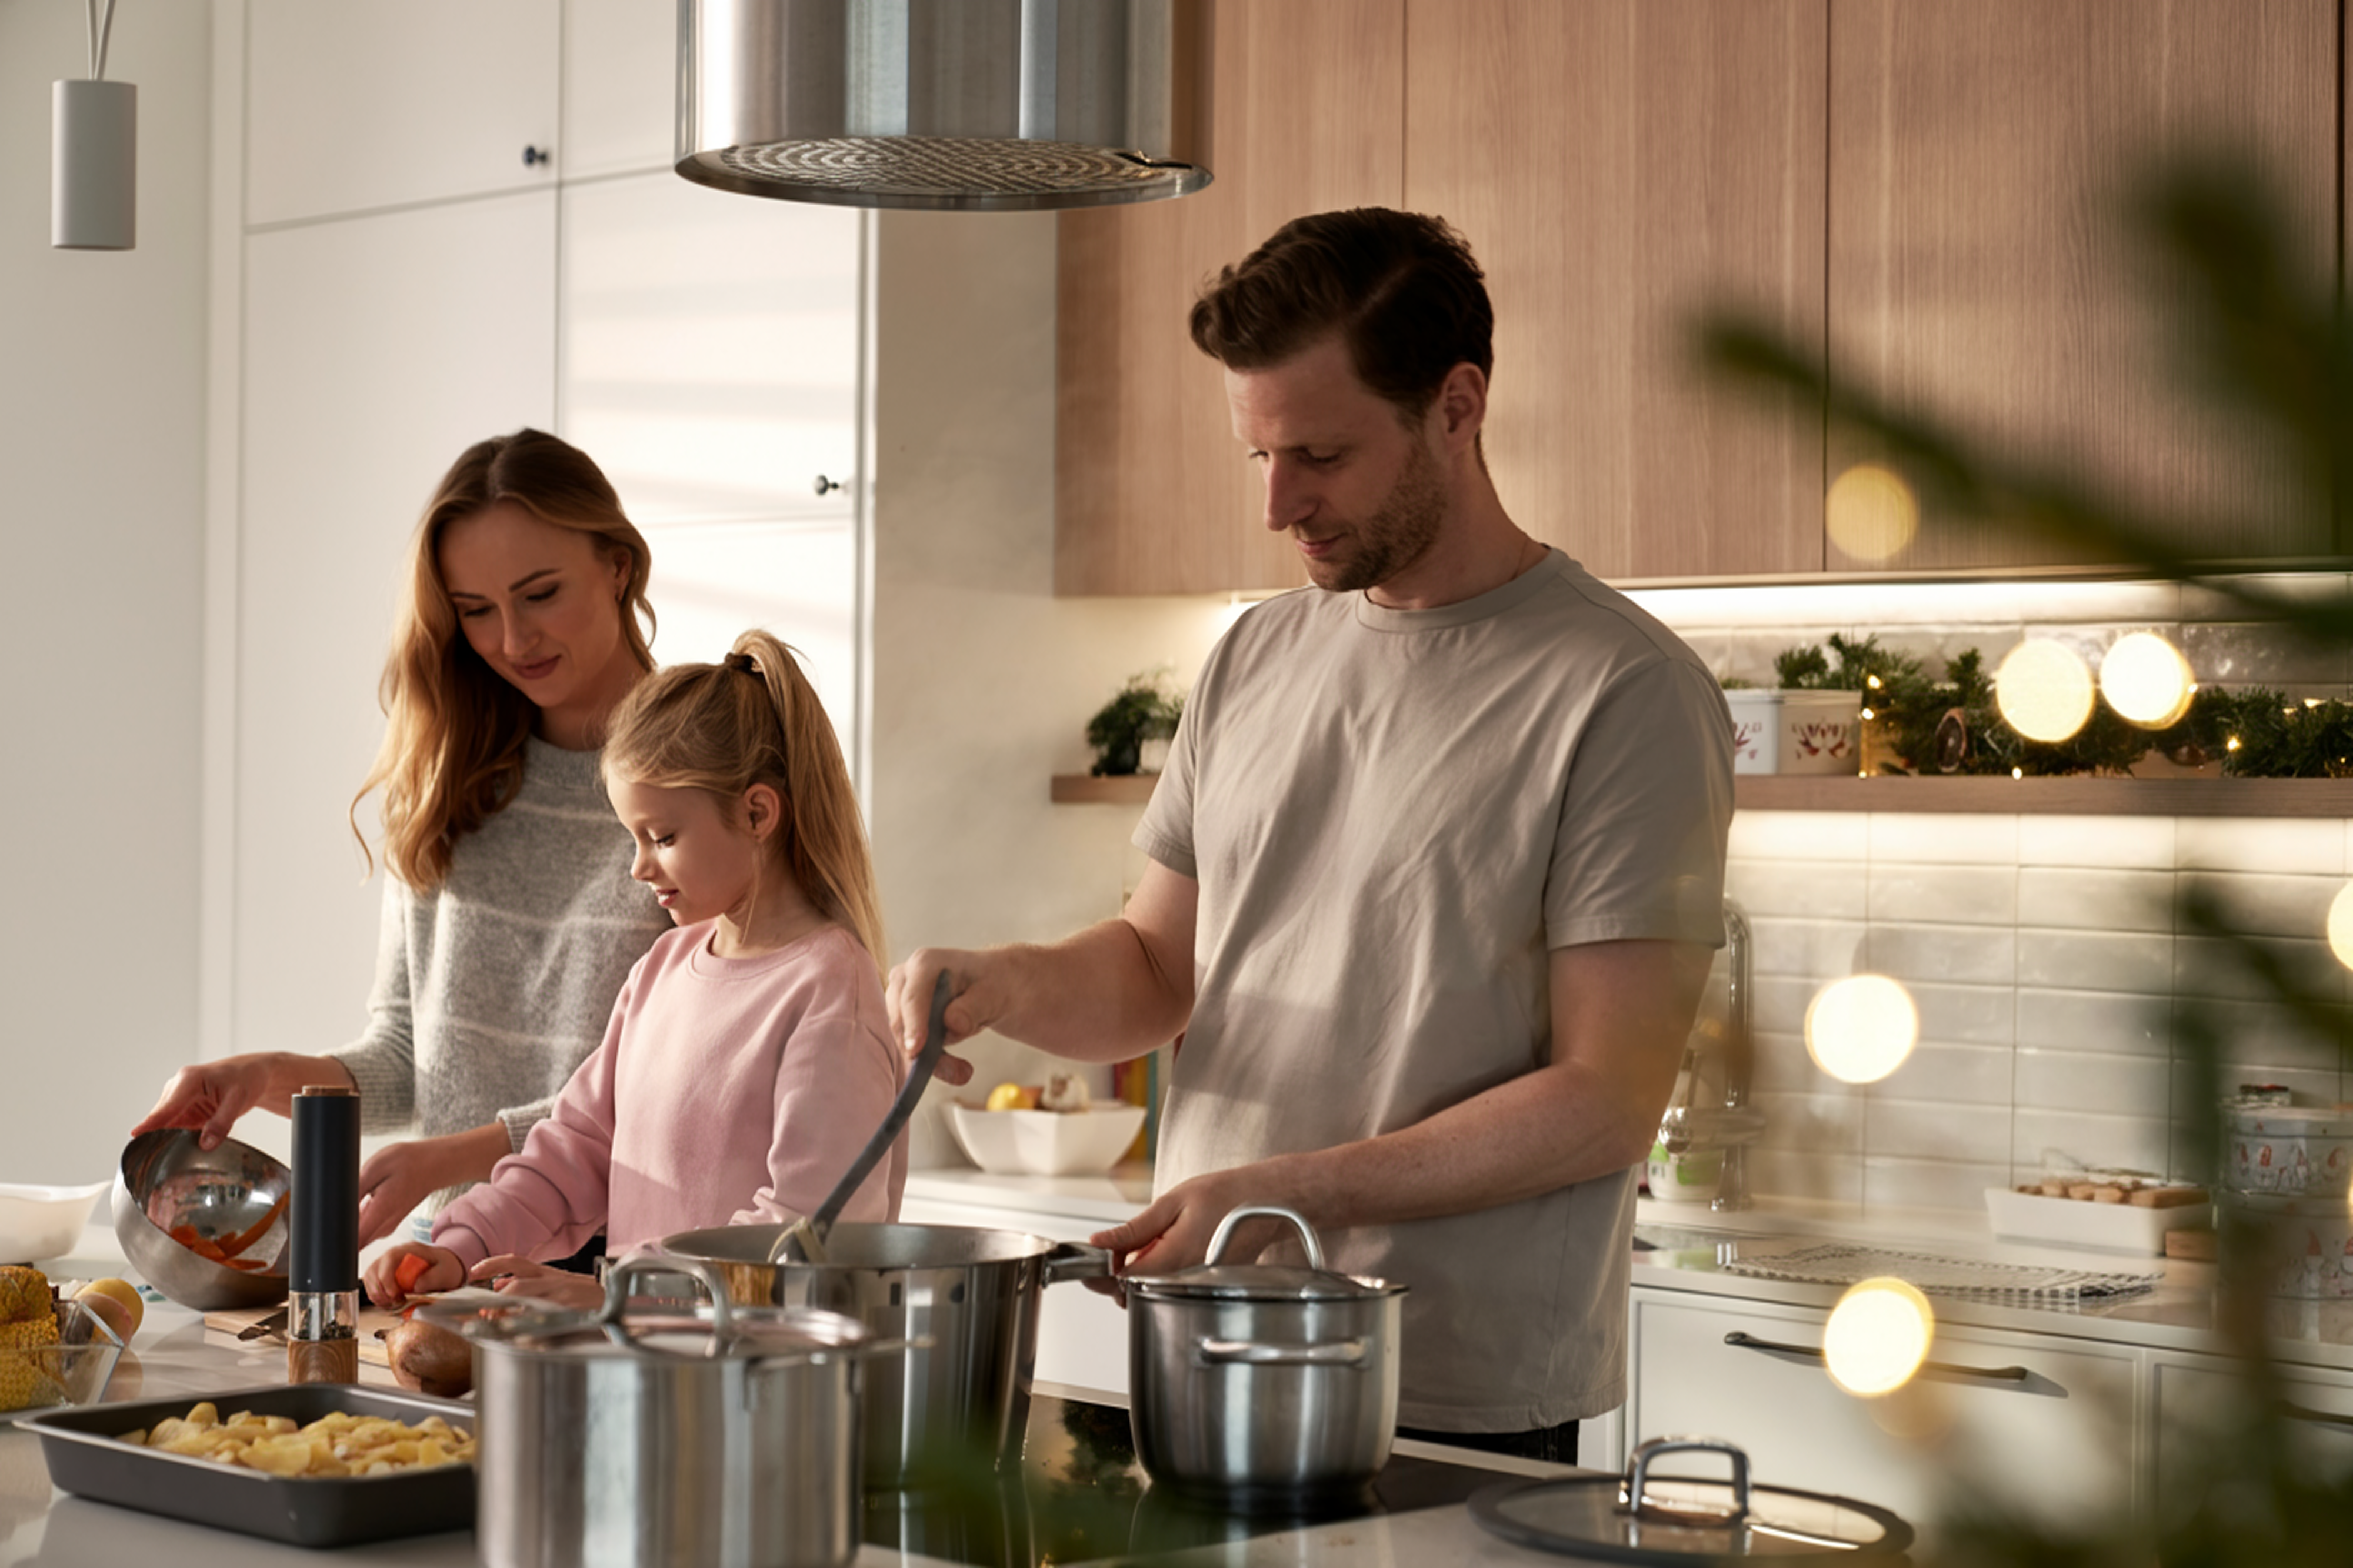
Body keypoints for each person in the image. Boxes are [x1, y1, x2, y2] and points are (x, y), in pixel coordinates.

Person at [886, 209, 1734, 1460]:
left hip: (1442, 1388)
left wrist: (1284, 1189)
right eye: (1259, 458)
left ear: (1456, 404)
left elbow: (1604, 1099)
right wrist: (1007, 980)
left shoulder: (1621, 691)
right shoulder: (1254, 655)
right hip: (1200, 1345)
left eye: (1321, 454)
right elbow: (1157, 969)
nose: (1281, 502)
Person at [135, 430, 675, 1253]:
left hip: (618, 1268)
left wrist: (455, 1156)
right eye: (476, 611)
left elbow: (687, 1080)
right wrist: (263, 1075)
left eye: (540, 593)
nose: (512, 641)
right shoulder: (453, 781)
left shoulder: (705, 772)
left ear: (619, 565)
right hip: (445, 1262)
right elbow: (408, 1056)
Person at [364, 630, 904, 1312]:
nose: (638, 866)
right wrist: (462, 1242)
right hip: (659, 1378)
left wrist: (611, 1295)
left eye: (663, 837)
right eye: (633, 836)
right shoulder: (666, 967)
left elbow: (806, 1239)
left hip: (769, 1398)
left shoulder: (830, 993)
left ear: (758, 811)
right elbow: (577, 1146)